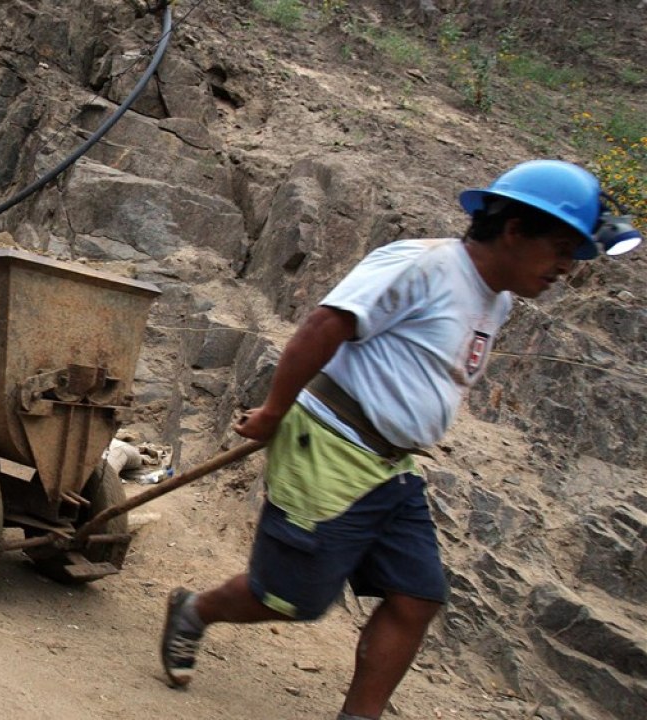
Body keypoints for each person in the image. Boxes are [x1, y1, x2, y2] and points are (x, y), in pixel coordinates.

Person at [157, 160, 640, 719]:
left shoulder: (497, 300)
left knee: (417, 597)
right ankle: (194, 610)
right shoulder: (422, 264)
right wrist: (272, 413)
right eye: (560, 248)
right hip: (331, 449)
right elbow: (324, 326)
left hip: (392, 466)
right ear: (513, 230)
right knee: (291, 600)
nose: (566, 268)